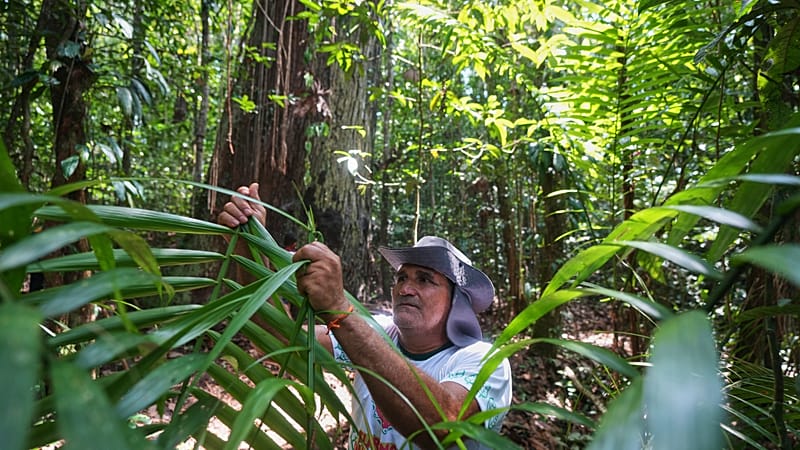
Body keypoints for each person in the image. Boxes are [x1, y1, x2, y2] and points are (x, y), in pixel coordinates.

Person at [219, 183, 512, 449]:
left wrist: (339, 310)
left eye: (424, 280)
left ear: (457, 300)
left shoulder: (484, 360)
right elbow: (277, 338)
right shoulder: (379, 333)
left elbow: (443, 427)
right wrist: (250, 244)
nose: (405, 289)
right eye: (401, 278)